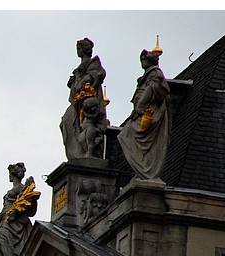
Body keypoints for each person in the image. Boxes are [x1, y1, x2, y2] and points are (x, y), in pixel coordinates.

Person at [117, 49, 170, 181]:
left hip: (149, 112)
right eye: (142, 60)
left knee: (128, 134)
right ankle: (143, 170)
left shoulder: (155, 74)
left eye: (144, 59)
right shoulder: (149, 75)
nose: (142, 62)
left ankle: (147, 171)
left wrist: (140, 104)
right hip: (143, 110)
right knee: (128, 136)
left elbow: (151, 89)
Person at [60, 38, 107, 160]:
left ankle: (86, 151)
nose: (78, 51)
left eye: (79, 48)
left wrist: (77, 83)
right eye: (77, 48)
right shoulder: (80, 68)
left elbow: (92, 78)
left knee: (85, 126)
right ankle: (76, 155)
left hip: (87, 102)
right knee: (65, 121)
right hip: (78, 102)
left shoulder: (93, 64)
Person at [0, 163, 38, 256]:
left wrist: (16, 211)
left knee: (0, 241)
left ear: (12, 174)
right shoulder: (15, 190)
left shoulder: (24, 189)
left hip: (15, 222)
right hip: (5, 220)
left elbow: (31, 209)